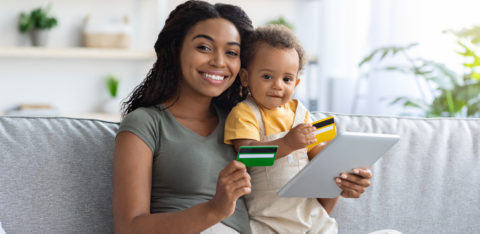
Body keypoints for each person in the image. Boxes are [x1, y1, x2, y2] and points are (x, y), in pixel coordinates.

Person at [112, 1, 255, 233]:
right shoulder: (146, 124)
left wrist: (326, 185)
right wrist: (214, 210)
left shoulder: (243, 122)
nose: (219, 62)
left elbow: (271, 159)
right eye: (204, 47)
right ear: (175, 49)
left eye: (231, 52)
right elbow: (129, 227)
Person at [224, 25, 373, 233]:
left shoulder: (302, 113)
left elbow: (319, 155)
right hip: (271, 220)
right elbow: (248, 155)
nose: (278, 85)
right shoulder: (244, 113)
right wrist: (288, 143)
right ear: (245, 77)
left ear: (296, 83)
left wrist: (344, 165)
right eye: (267, 76)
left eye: (287, 79)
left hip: (312, 215)